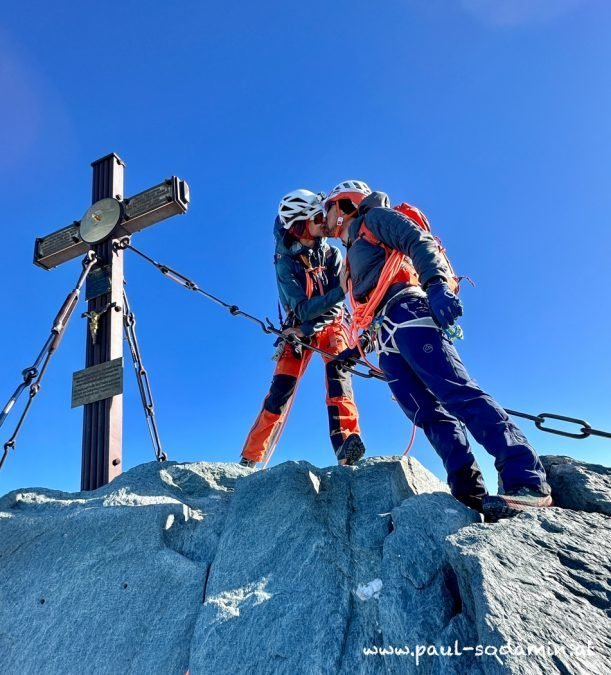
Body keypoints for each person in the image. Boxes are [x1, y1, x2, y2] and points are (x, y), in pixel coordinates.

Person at [322, 180, 552, 520]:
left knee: (456, 392)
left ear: (345, 204)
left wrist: (437, 285)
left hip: (410, 313)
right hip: (386, 334)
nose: (324, 218)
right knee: (427, 415)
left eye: (328, 208)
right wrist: (357, 350)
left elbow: (418, 241)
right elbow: (369, 308)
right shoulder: (353, 255)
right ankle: (469, 493)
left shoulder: (375, 220)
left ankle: (526, 478)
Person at [240, 189, 366, 469]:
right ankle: (250, 458)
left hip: (330, 326)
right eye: (318, 216)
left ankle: (347, 447)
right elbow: (301, 308)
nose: (326, 221)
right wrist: (337, 293)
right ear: (300, 224)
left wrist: (311, 323)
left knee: (339, 378)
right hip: (297, 329)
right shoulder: (284, 261)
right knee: (280, 392)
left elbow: (334, 306)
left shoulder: (330, 254)